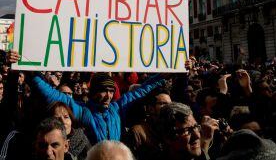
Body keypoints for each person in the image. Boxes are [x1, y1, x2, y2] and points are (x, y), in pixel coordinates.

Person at [7, 50, 166, 145]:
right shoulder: (83, 111)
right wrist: (26, 69)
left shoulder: (117, 108)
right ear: (93, 92)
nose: (108, 96)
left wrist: (166, 75)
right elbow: (50, 93)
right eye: (104, 91)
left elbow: (140, 91)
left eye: (111, 91)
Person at [126, 87, 172, 160]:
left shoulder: (172, 128)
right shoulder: (137, 132)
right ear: (150, 108)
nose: (169, 108)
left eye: (170, 104)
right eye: (164, 104)